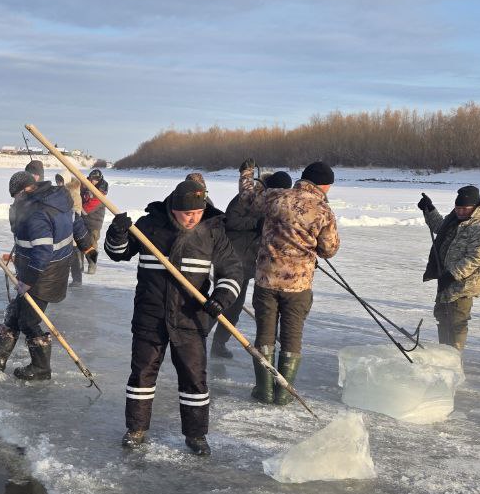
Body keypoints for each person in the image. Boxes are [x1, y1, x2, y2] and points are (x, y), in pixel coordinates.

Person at [104, 179, 243, 456]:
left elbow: (232, 272)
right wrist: (117, 233)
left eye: (198, 212)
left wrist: (220, 298)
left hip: (190, 317)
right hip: (150, 314)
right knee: (142, 374)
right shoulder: (149, 225)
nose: (192, 218)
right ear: (173, 209)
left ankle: (196, 435)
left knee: (194, 378)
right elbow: (117, 254)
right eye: (186, 213)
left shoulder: (212, 231)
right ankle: (136, 429)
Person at [237, 159, 340, 405]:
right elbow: (329, 249)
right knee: (292, 336)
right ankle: (283, 393)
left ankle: (264, 390)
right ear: (324, 186)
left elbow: (247, 198)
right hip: (298, 286)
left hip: (266, 280)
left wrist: (246, 173)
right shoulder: (323, 210)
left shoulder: (276, 197)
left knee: (265, 335)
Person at [0, 171, 90, 380]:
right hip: (50, 270)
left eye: (15, 196)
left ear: (25, 190)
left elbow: (43, 252)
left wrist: (27, 281)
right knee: (14, 312)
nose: (15, 200)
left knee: (28, 320)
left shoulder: (37, 213)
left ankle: (41, 368)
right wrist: (87, 246)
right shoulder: (58, 199)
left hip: (44, 276)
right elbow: (77, 224)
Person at [211, 170, 292, 358]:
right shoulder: (246, 198)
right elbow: (231, 221)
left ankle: (219, 343)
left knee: (235, 309)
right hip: (230, 259)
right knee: (222, 303)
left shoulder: (275, 204)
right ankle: (197, 336)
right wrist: (258, 223)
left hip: (249, 263)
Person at [418, 184, 480, 350]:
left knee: (457, 320)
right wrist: (429, 209)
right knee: (442, 315)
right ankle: (445, 352)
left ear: (475, 207)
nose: (461, 211)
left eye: (465, 208)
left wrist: (452, 275)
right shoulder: (457, 218)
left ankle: (454, 357)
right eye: (458, 208)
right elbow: (441, 229)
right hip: (446, 277)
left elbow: (477, 257)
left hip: (464, 282)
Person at [79, 168, 108, 274]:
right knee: (79, 243)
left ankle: (92, 264)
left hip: (94, 223)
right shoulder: (86, 187)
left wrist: (77, 207)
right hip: (82, 221)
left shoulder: (100, 194)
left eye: (95, 179)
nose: (92, 181)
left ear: (99, 180)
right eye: (91, 179)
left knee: (91, 244)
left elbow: (86, 209)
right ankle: (79, 266)